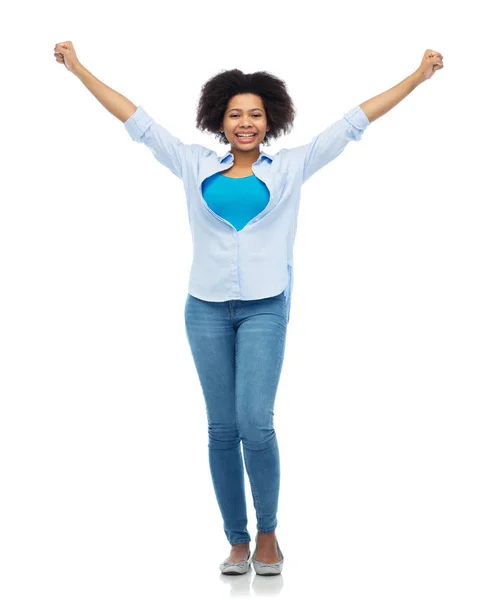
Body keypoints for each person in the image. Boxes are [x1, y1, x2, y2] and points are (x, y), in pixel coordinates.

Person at [53, 42, 444, 576]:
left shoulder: (289, 168)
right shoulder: (194, 164)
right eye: (235, 114)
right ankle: (235, 540)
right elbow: (137, 121)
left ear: (270, 121)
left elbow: (354, 122)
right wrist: (79, 70)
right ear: (219, 118)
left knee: (255, 424)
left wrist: (416, 77)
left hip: (265, 308)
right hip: (205, 310)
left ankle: (267, 535)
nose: (245, 123)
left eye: (255, 115)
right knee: (220, 429)